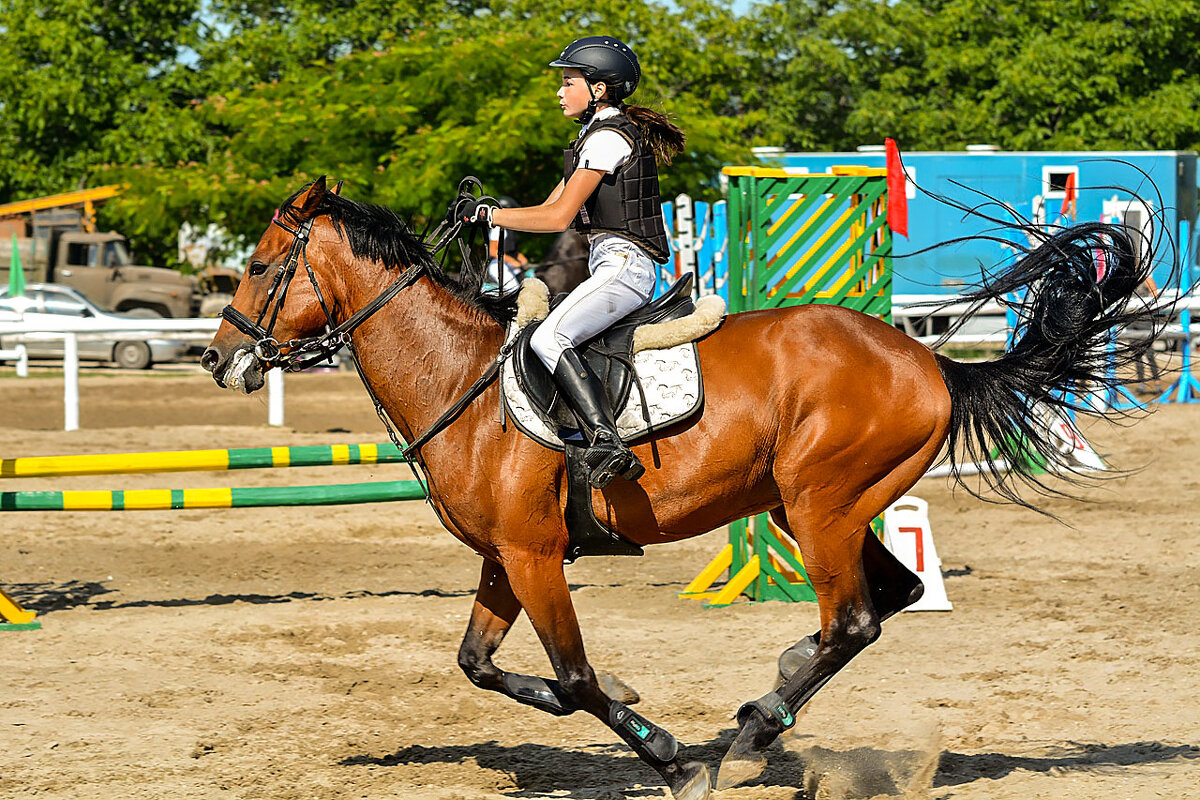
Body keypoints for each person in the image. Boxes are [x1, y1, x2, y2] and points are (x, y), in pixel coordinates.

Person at [458, 35, 684, 489]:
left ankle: (607, 441)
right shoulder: (593, 137)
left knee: (549, 336)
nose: (559, 91)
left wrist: (491, 214)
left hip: (625, 265)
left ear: (598, 89)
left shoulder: (607, 140)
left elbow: (559, 218)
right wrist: (489, 215)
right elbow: (547, 207)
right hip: (608, 263)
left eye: (568, 81)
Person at [482, 196, 529, 297]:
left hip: (510, 265)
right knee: (515, 290)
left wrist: (522, 259)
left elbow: (511, 250)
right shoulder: (497, 229)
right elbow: (493, 251)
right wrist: (512, 261)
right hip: (499, 266)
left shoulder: (510, 229)